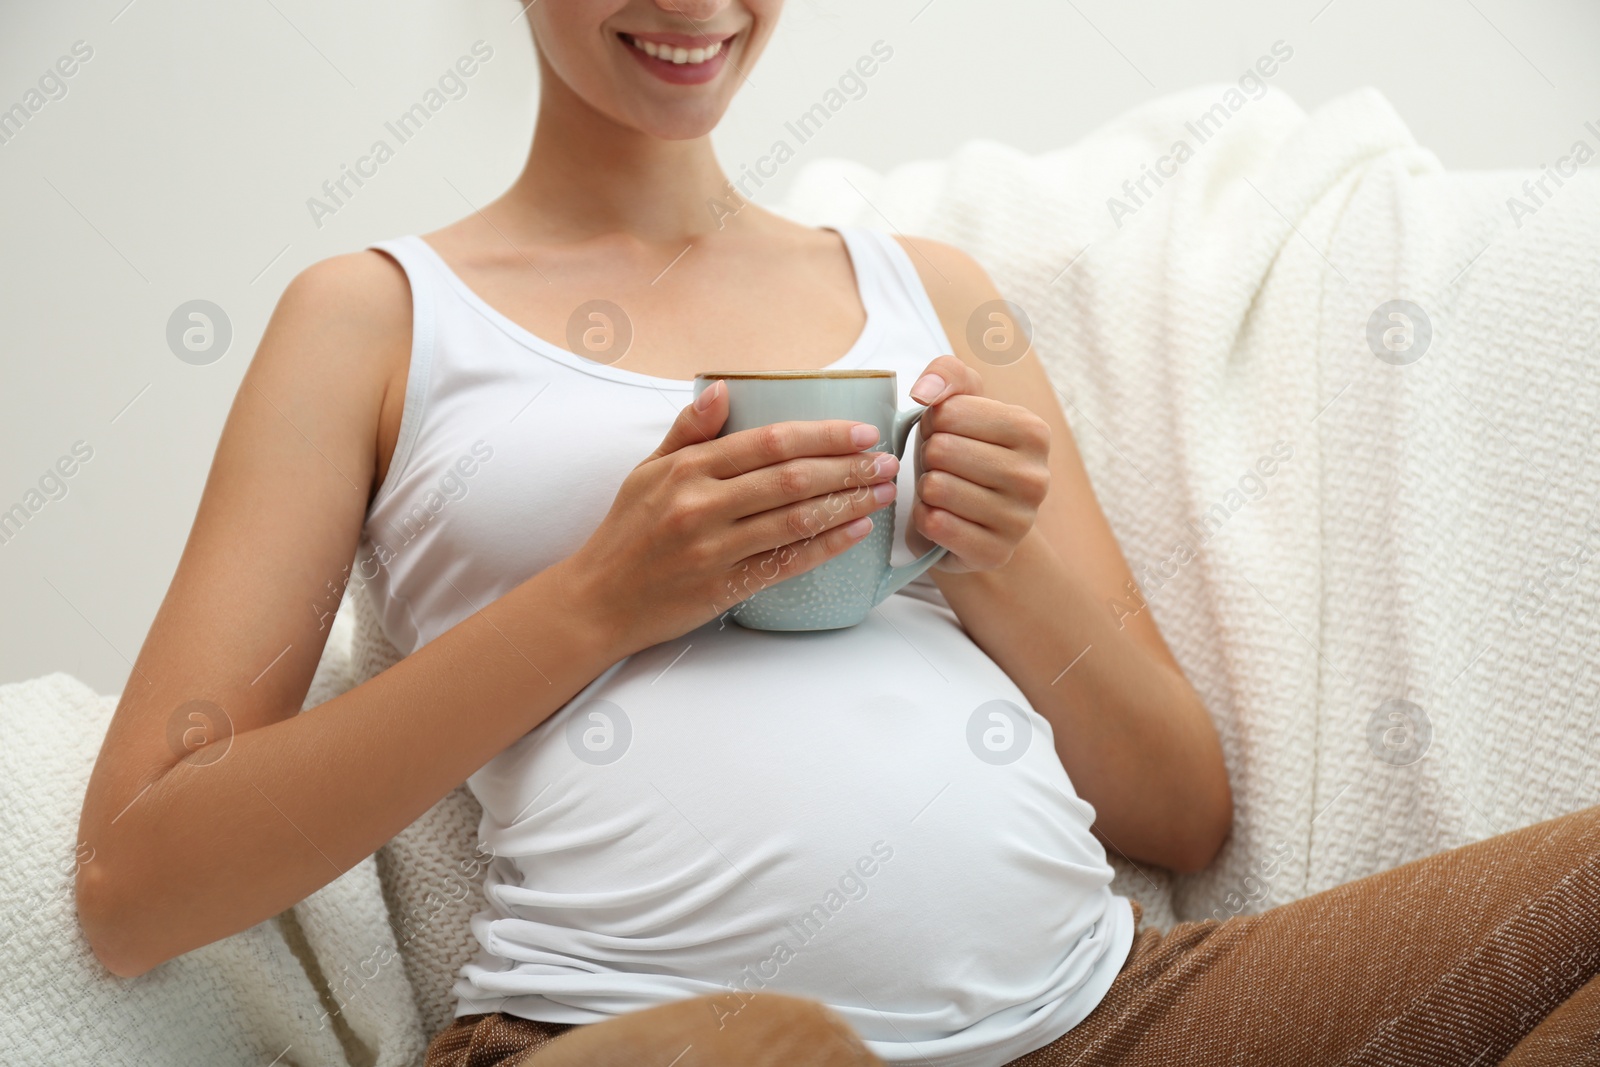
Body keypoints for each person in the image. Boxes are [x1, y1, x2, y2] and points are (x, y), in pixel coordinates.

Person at [75, 2, 1600, 1064]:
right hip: (620, 1040)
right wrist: (600, 601)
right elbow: (139, 882)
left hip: (1111, 1018)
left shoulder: (936, 290)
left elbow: (1180, 813)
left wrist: (997, 558)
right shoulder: (371, 317)